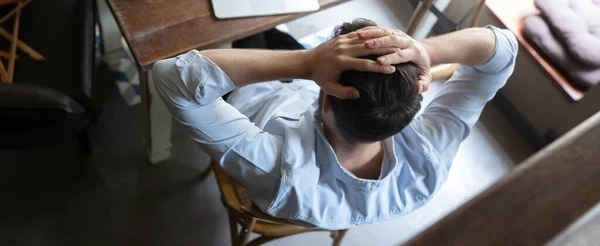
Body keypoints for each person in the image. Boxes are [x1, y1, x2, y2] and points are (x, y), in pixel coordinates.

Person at [152, 19, 517, 230]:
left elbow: (169, 76)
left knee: (246, 26)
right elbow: (503, 50)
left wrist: (306, 63)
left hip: (259, 97)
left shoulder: (278, 168)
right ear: (409, 108)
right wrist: (426, 50)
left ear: (324, 100)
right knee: (268, 26)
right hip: (297, 88)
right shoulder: (429, 154)